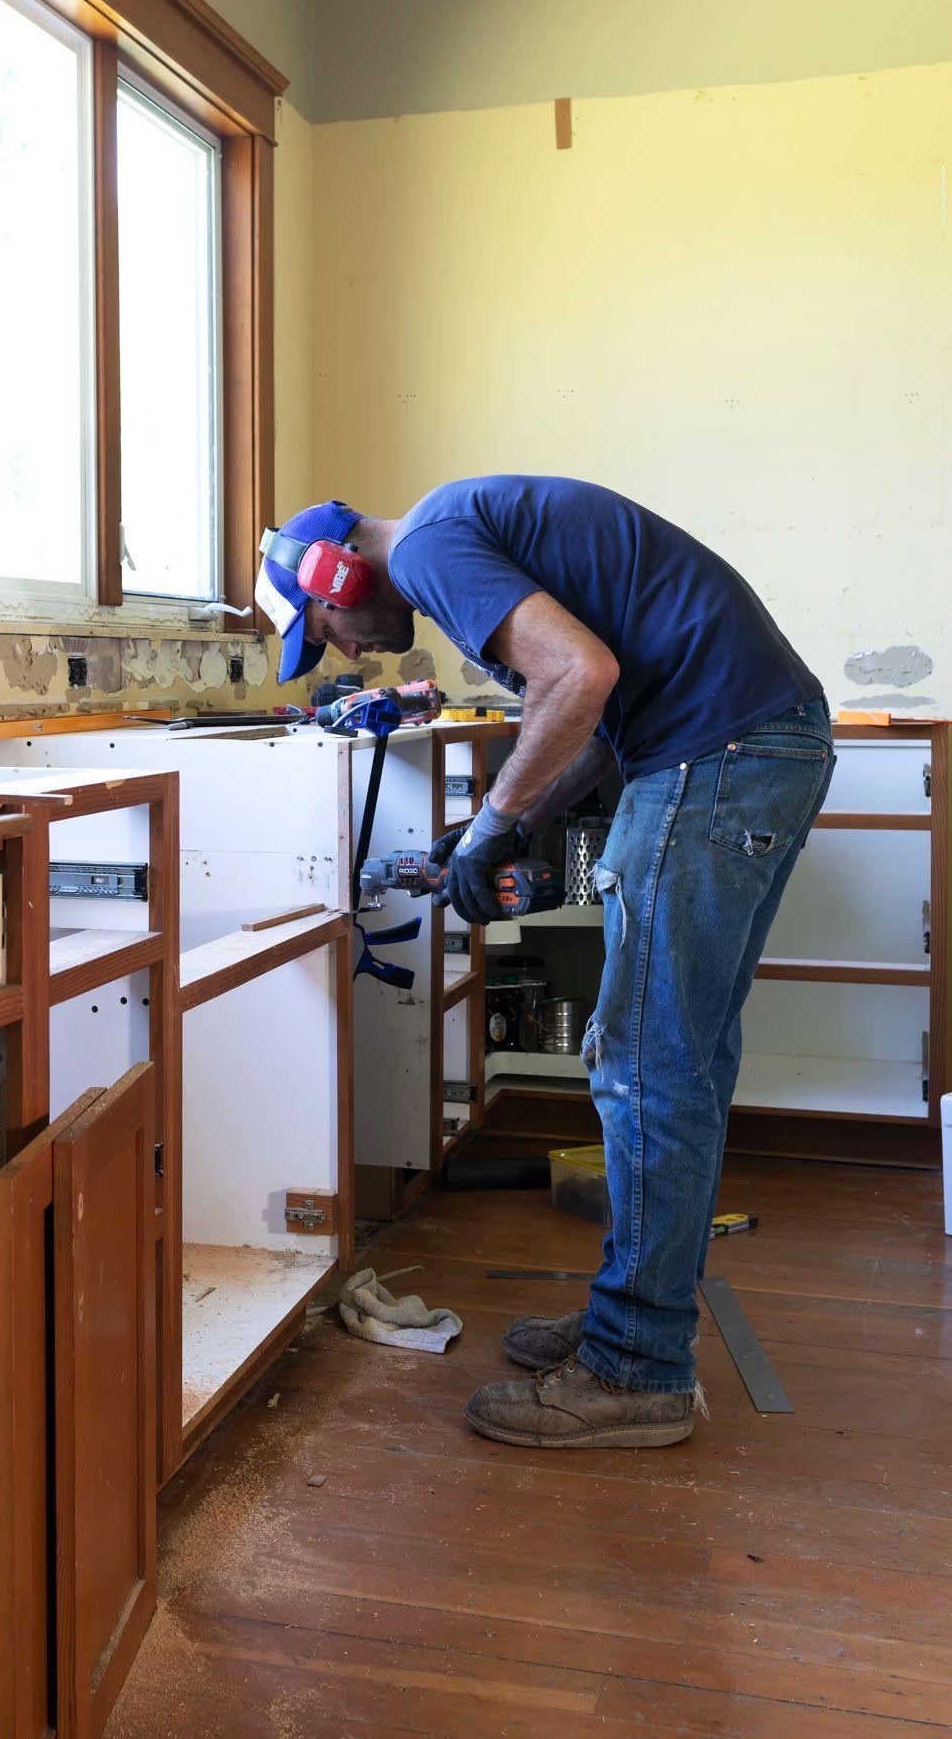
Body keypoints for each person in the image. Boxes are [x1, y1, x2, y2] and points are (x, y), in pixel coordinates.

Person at [256, 480, 834, 1449]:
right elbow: (606, 722)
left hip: (719, 754)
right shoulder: (458, 531)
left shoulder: (433, 547)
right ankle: (633, 1317)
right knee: (677, 1063)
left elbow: (581, 673)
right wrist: (504, 824)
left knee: (646, 1066)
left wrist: (494, 824)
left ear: (338, 570)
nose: (346, 651)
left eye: (328, 628)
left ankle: (636, 1367)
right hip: (744, 743)